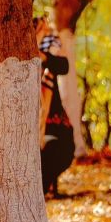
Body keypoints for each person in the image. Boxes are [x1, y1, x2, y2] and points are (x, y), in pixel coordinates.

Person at [36, 15, 75, 198]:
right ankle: (41, 189)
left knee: (61, 147)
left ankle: (47, 186)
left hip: (51, 106)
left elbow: (63, 65)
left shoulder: (50, 39)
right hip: (23, 106)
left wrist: (43, 57)